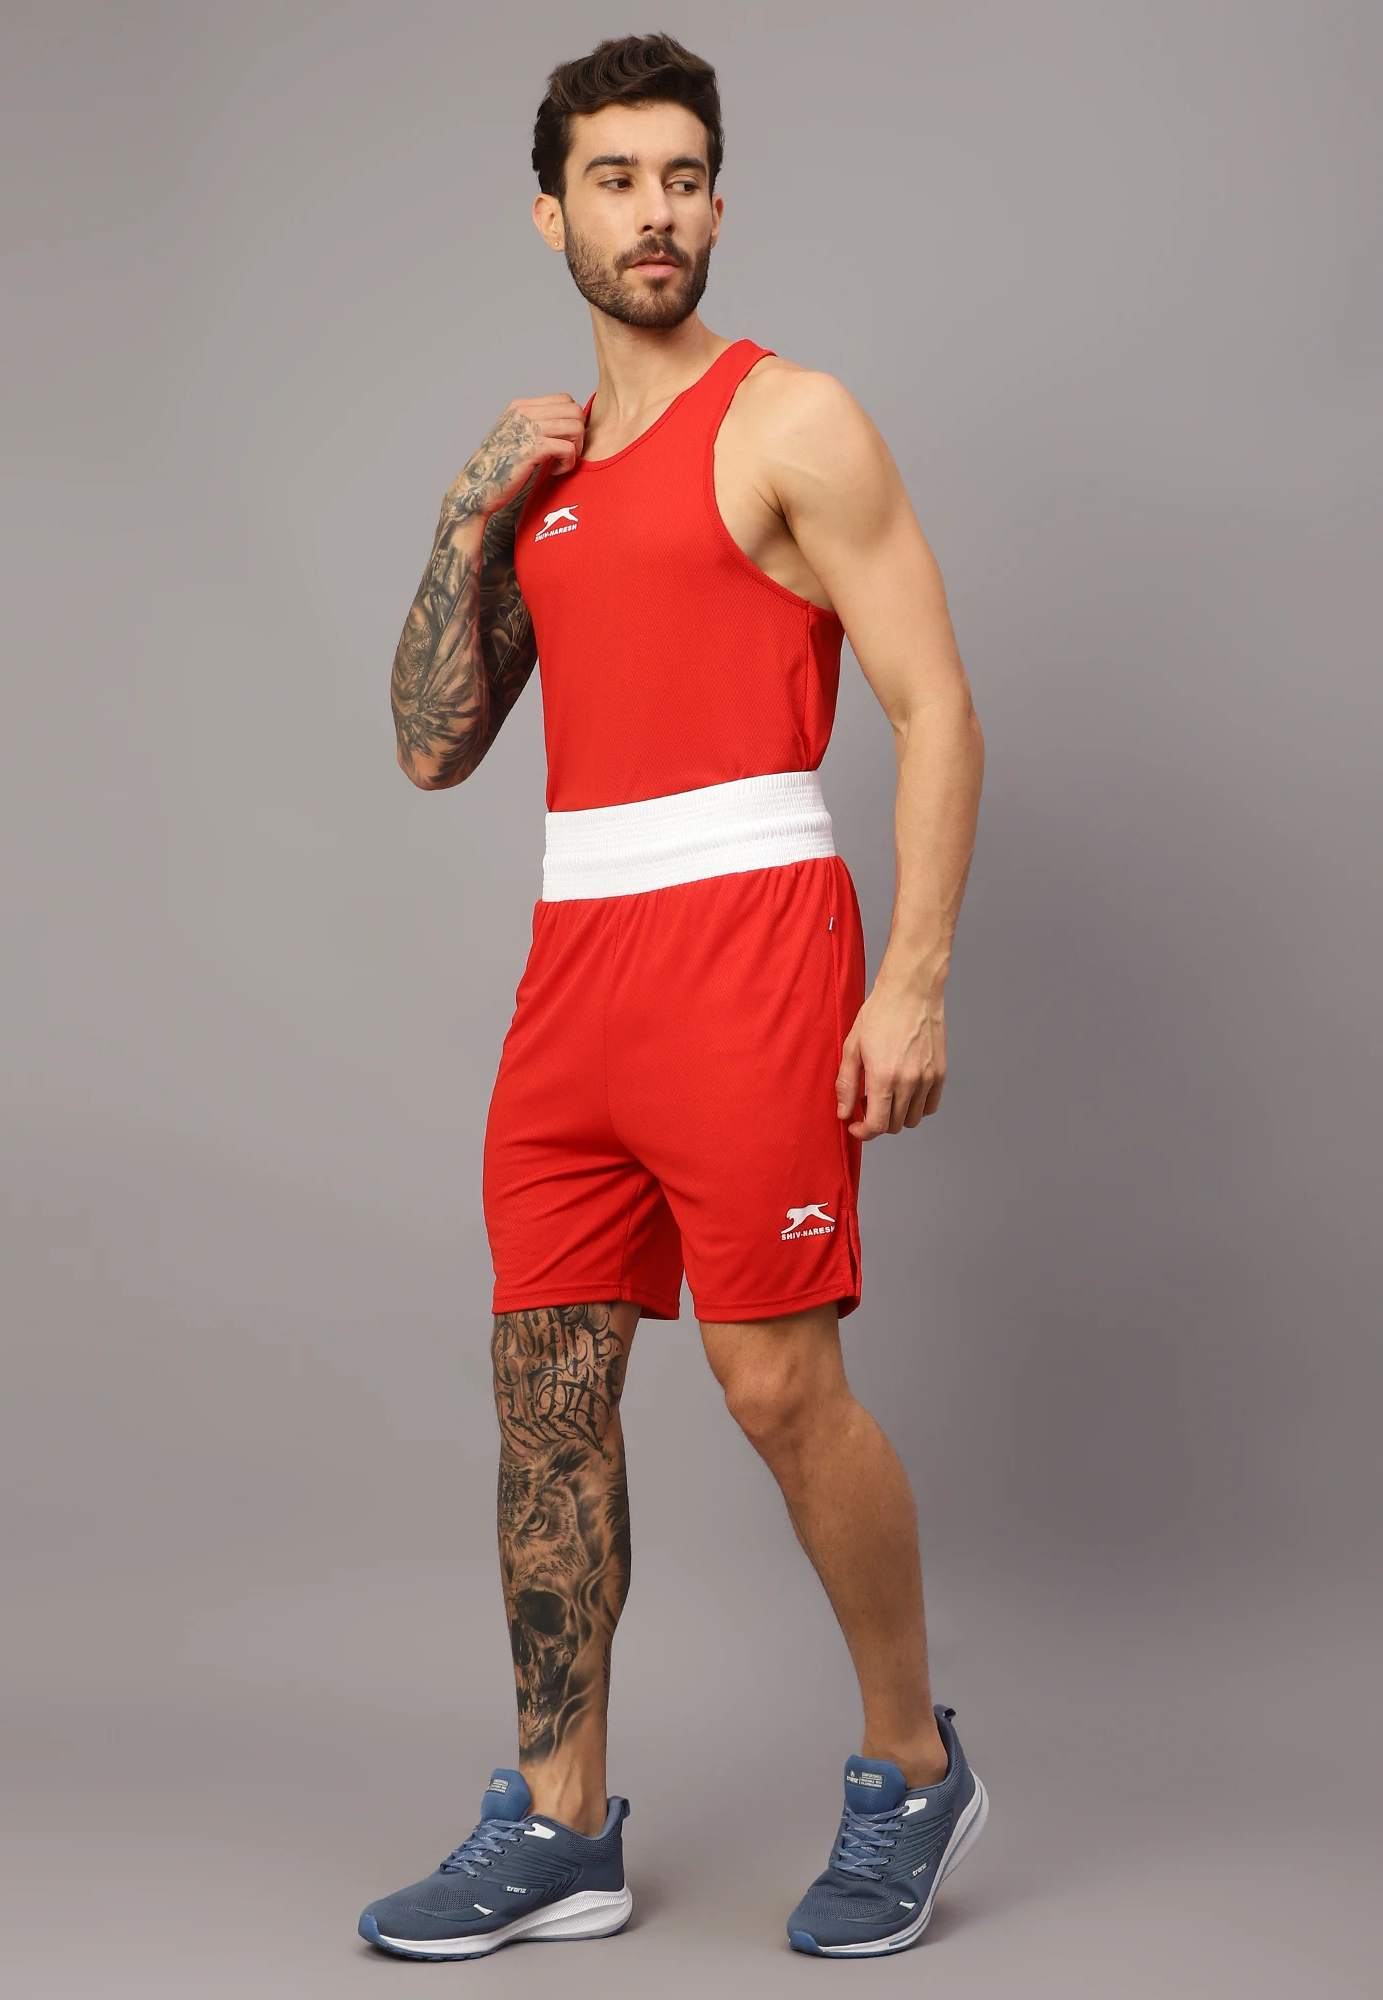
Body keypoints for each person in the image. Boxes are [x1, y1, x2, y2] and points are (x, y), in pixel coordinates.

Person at [359, 32, 987, 1962]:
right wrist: (472, 502)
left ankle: (911, 1766)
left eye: (685, 177)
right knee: (546, 1405)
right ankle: (563, 1823)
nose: (657, 212)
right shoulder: (547, 479)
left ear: (719, 205)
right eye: (617, 180)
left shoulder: (791, 420)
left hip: (748, 953)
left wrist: (911, 980)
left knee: (777, 1387)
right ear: (550, 214)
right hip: (576, 975)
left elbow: (936, 706)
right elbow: (430, 747)